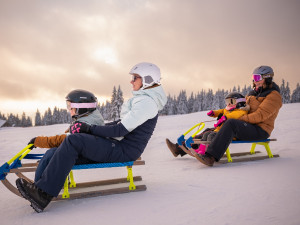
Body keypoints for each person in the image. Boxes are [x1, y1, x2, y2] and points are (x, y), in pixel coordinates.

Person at [16, 62, 167, 213]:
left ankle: (42, 194)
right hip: (116, 145)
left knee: (73, 140)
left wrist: (89, 129)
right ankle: (38, 188)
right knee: (57, 150)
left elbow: (120, 130)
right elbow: (118, 124)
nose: (131, 81)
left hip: (124, 150)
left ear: (147, 79)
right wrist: (89, 131)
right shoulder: (142, 100)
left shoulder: (147, 103)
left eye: (135, 78)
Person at [195, 65, 282, 166]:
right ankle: (181, 149)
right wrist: (226, 114)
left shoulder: (273, 96)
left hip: (260, 130)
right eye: (253, 78)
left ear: (267, 78)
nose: (254, 81)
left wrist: (237, 118)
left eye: (257, 78)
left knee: (231, 123)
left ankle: (210, 157)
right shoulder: (252, 93)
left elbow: (259, 116)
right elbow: (240, 107)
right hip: (248, 126)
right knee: (214, 129)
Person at [30, 89, 105, 182]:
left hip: (90, 155)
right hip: (89, 153)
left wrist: (39, 141)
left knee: (52, 153)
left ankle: (38, 186)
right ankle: (54, 180)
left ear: (80, 108)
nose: (69, 109)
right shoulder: (89, 117)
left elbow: (66, 140)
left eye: (70, 106)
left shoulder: (86, 122)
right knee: (54, 154)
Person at [166, 92, 249, 156]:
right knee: (204, 133)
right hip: (219, 129)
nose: (229, 104)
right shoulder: (228, 109)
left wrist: (225, 118)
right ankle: (180, 148)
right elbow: (221, 111)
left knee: (206, 134)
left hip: (227, 133)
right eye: (227, 101)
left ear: (239, 102)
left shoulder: (241, 111)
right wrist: (213, 113)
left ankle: (198, 151)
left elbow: (234, 115)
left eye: (231, 101)